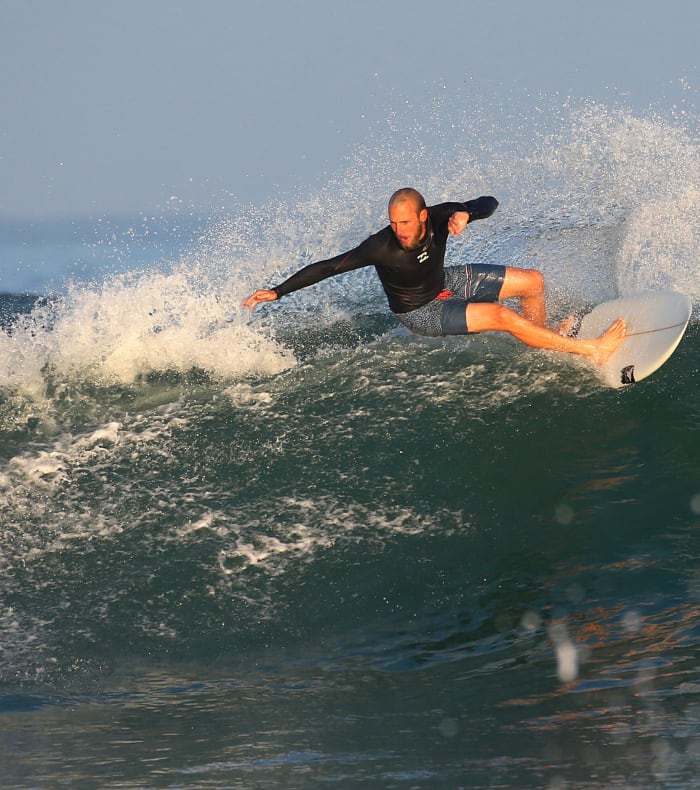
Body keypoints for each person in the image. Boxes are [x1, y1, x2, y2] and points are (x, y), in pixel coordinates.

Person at [242, 187, 626, 364]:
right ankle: (592, 350)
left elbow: (488, 202)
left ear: (423, 216)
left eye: (406, 222)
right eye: (394, 223)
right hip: (419, 311)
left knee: (534, 281)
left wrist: (467, 214)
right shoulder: (381, 246)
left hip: (444, 282)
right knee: (502, 317)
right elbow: (328, 267)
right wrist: (277, 292)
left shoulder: (441, 216)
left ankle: (542, 342)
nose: (400, 230)